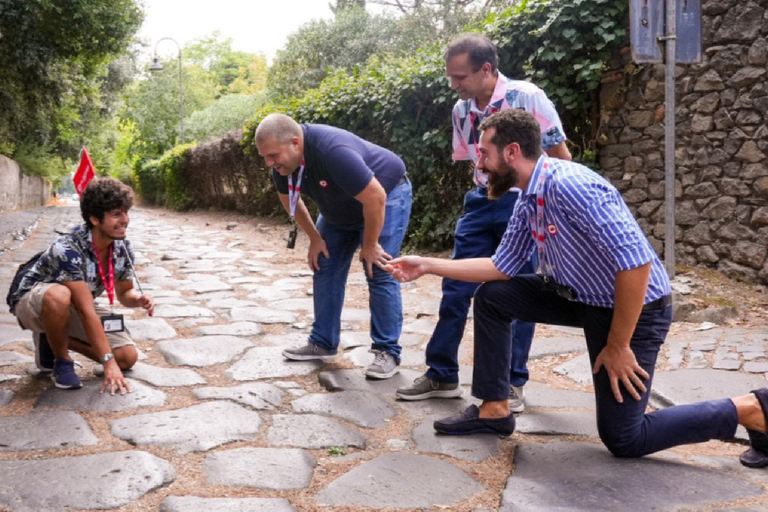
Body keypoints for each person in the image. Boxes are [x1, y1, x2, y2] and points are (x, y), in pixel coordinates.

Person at [387, 108, 768, 462]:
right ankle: (494, 410)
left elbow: (636, 265)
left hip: (633, 310)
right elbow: (502, 266)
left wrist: (618, 345)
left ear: (512, 152)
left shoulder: (571, 186)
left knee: (625, 438)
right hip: (581, 298)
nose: (479, 163)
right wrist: (428, 265)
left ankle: (751, 408)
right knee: (495, 297)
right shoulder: (528, 199)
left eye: (485, 153)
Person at [396, 34, 571, 412]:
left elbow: (561, 156)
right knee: (455, 286)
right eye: (451, 77)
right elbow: (475, 164)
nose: (453, 85)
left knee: (519, 291)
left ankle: (512, 383)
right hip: (480, 201)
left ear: (486, 70)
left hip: (524, 201)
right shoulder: (461, 111)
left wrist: (550, 208)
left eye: (460, 77)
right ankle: (441, 373)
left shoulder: (529, 97)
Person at [255, 113, 412, 379]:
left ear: (295, 143)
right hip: (339, 207)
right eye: (265, 158)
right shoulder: (283, 165)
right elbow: (290, 202)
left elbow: (375, 197)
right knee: (324, 263)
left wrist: (370, 244)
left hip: (385, 195)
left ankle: (388, 351)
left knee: (378, 268)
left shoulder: (332, 151)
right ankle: (323, 342)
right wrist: (315, 238)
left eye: (272, 156)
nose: (270, 164)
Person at [8, 177, 152, 395]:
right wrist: (107, 363)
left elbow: (124, 292)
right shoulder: (67, 249)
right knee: (59, 294)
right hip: (33, 302)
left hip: (73, 304)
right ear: (94, 219)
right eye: (116, 214)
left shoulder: (122, 246)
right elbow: (86, 311)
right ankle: (61, 361)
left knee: (126, 357)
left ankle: (51, 336)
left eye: (125, 212)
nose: (125, 220)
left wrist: (137, 299)